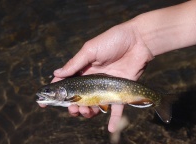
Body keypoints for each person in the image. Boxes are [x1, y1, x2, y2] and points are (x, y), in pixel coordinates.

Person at [39, 1, 196, 133]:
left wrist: (139, 37)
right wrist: (140, 37)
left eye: (48, 91)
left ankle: (160, 99)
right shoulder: (69, 91)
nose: (45, 94)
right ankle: (160, 98)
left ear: (62, 91)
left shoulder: (71, 94)